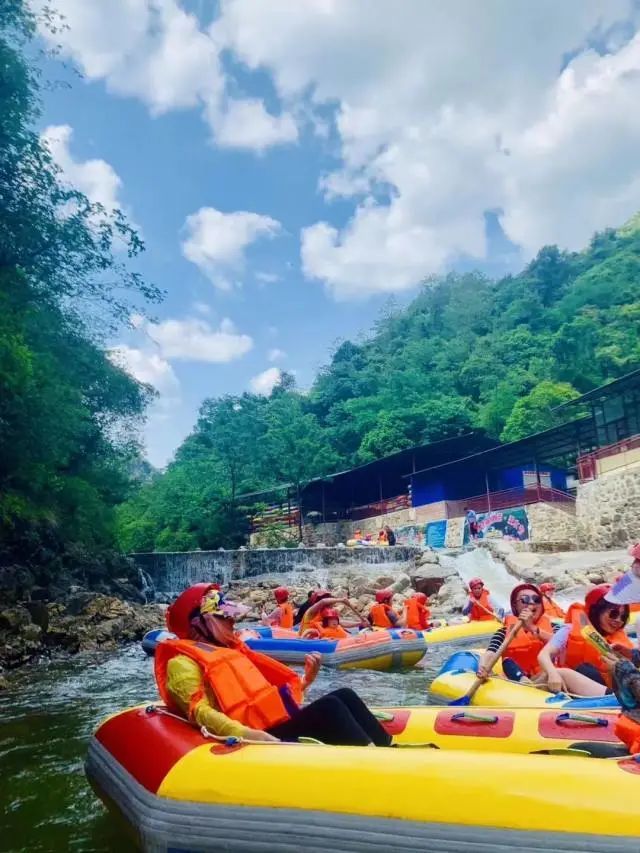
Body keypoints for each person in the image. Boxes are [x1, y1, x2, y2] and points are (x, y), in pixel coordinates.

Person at [157, 583, 392, 747]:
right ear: (199, 624)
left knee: (345, 695)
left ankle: (387, 748)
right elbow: (200, 712)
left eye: (231, 617)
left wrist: (306, 681)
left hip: (267, 723)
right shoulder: (183, 663)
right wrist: (249, 735)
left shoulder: (229, 651)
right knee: (330, 707)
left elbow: (259, 695)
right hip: (253, 734)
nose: (231, 621)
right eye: (223, 617)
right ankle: (374, 760)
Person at [537, 584, 634, 696]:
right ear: (596, 611)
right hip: (567, 686)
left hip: (609, 691)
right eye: (613, 614)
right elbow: (544, 654)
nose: (618, 620)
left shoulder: (621, 640)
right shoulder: (569, 629)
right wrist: (552, 673)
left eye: (623, 617)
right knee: (584, 670)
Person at [477, 584, 555, 683]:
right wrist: (483, 667)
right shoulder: (503, 632)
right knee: (507, 662)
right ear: (515, 605)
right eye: (524, 599)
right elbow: (491, 653)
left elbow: (561, 644)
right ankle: (526, 683)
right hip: (518, 678)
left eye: (536, 599)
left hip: (547, 676)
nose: (531, 602)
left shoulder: (554, 627)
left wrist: (531, 627)